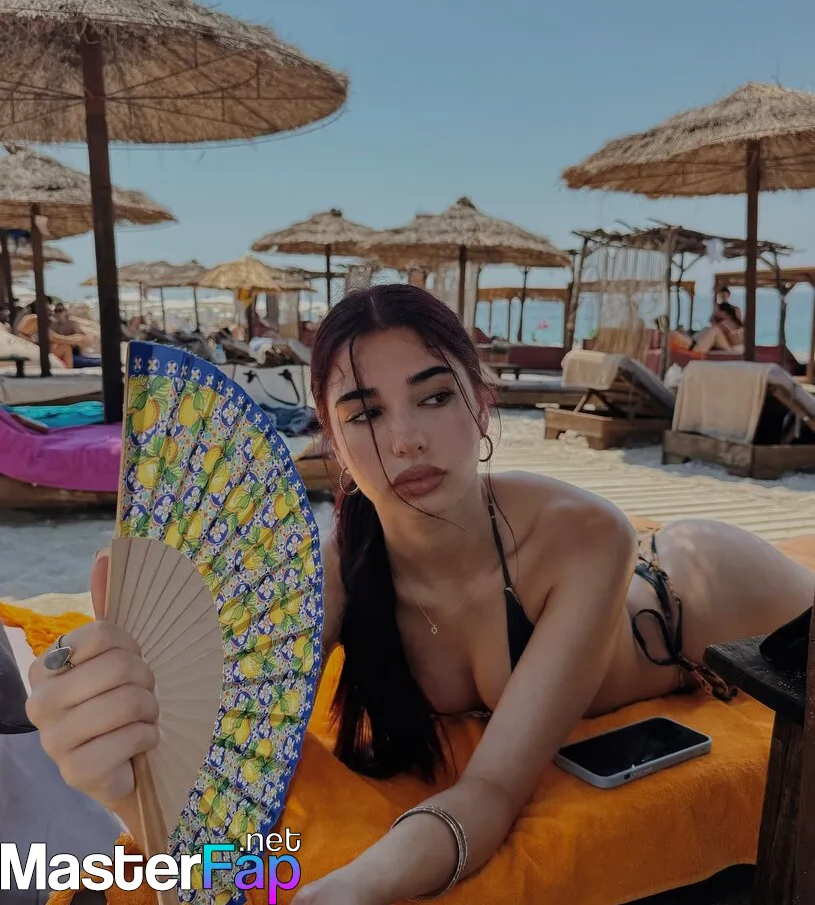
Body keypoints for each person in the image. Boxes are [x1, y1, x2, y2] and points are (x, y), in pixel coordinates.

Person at [24, 284, 815, 904]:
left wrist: (348, 890)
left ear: (479, 404)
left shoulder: (586, 534)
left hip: (706, 584)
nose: (404, 438)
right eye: (365, 413)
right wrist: (124, 774)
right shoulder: (338, 570)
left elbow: (492, 790)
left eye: (434, 397)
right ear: (332, 440)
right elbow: (227, 762)